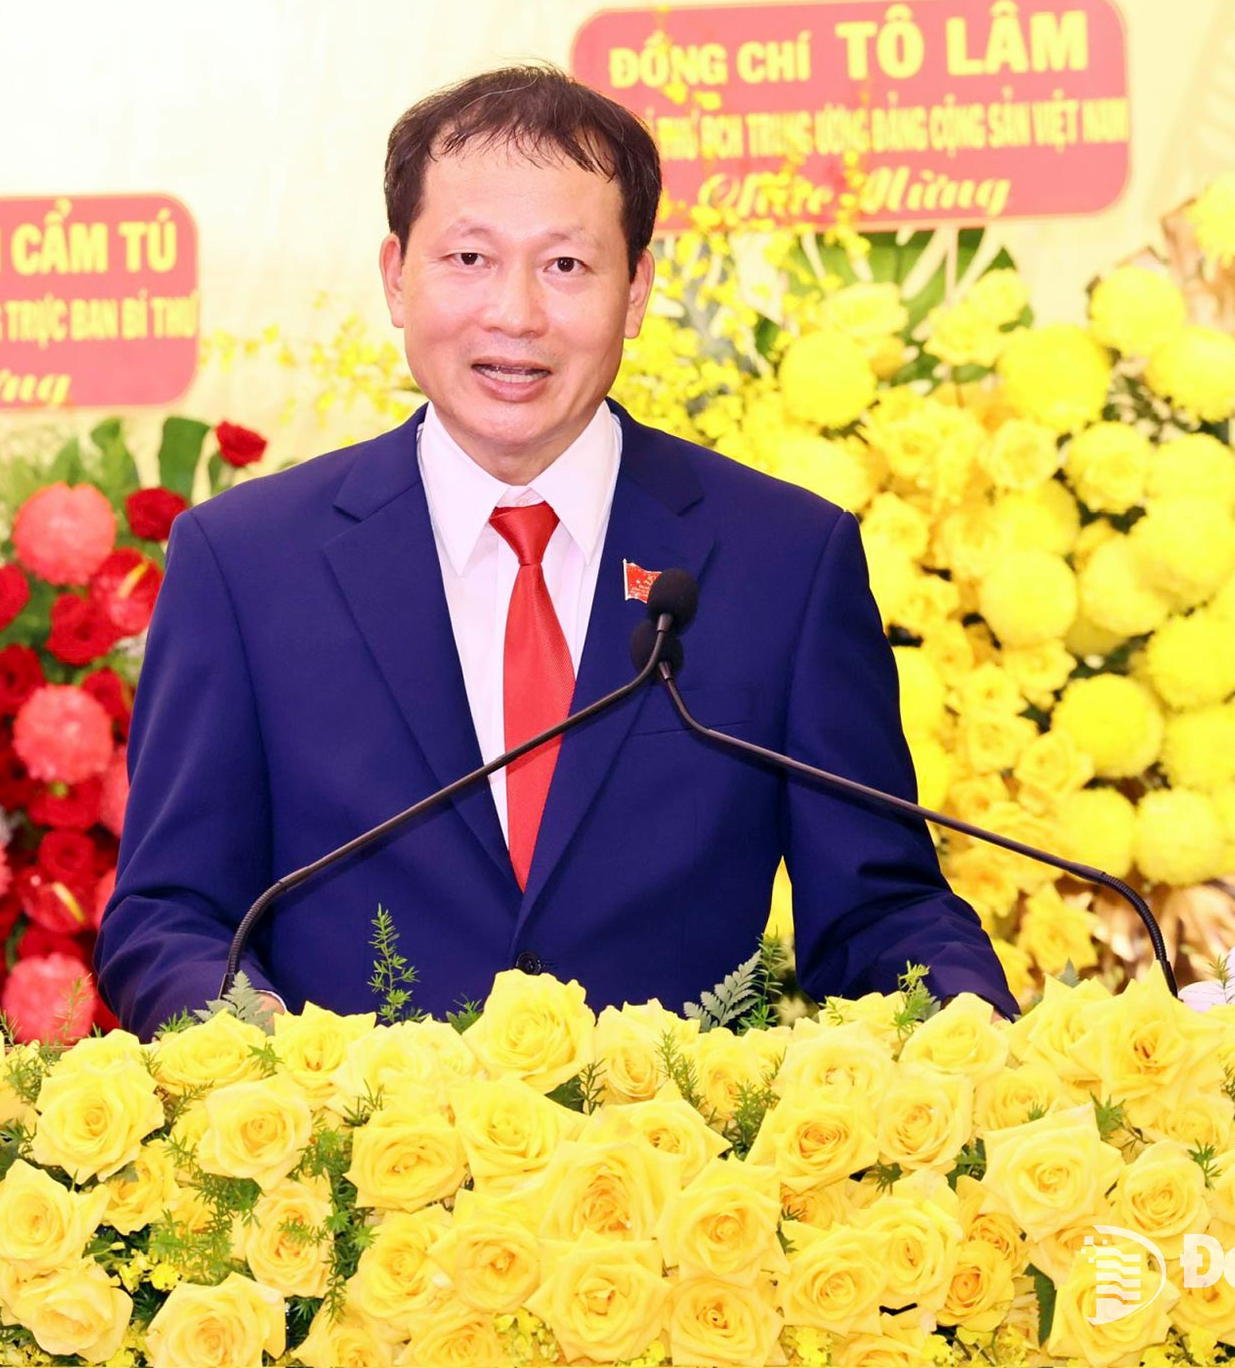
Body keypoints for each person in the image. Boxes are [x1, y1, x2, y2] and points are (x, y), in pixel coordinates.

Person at [96, 64, 1015, 1036]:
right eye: (468, 259)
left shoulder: (781, 561)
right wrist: (260, 1061)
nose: (515, 314)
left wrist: (965, 1027)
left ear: (635, 289)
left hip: (679, 1174)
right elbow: (169, 914)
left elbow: (878, 908)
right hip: (348, 1170)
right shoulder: (245, 565)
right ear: (394, 278)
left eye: (566, 266)